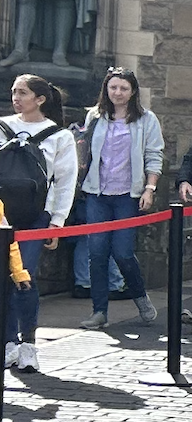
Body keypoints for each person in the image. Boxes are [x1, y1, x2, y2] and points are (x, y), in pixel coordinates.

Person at [75, 68, 160, 330]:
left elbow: (154, 155)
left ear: (133, 91)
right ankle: (99, 311)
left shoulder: (146, 119)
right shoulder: (95, 116)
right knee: (97, 252)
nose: (118, 93)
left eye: (123, 88)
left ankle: (140, 297)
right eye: (113, 87)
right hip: (97, 193)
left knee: (123, 253)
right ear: (106, 89)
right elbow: (86, 151)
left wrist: (149, 188)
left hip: (127, 195)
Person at [1, 75, 76, 368]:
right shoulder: (3, 127)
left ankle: (28, 343)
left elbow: (66, 181)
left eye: (22, 93)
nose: (16, 98)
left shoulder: (59, 136)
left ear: (40, 99)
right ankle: (8, 342)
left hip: (37, 215)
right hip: (2, 214)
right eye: (14, 92)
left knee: (25, 277)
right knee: (3, 278)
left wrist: (57, 222)